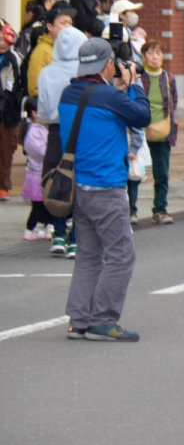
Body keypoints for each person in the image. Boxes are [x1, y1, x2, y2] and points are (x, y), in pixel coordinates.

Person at [59, 38, 152, 342]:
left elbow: (97, 117)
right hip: (105, 186)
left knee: (88, 254)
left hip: (78, 187)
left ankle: (79, 320)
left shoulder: (69, 93)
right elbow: (141, 116)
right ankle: (103, 319)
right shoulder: (110, 96)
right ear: (108, 64)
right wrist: (135, 83)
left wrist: (120, 91)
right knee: (121, 253)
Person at [37, 25, 88, 257]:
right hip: (81, 130)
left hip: (56, 131)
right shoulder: (84, 71)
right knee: (80, 181)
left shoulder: (46, 72)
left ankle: (58, 233)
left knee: (57, 179)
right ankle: (76, 237)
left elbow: (44, 112)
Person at [133, 41, 178, 225]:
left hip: (163, 130)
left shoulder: (169, 77)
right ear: (143, 57)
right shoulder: (136, 77)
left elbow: (173, 103)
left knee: (162, 174)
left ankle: (160, 209)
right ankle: (131, 211)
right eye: (150, 53)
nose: (155, 57)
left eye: (158, 53)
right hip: (140, 131)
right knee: (135, 173)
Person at [20, 98, 53, 239]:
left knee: (43, 204)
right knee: (38, 206)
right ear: (34, 113)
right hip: (37, 174)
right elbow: (40, 151)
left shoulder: (39, 129)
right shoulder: (33, 131)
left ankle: (45, 225)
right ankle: (30, 228)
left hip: (40, 173)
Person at [0, 22, 19, 201]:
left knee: (6, 151)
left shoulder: (14, 59)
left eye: (3, 39)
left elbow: (16, 87)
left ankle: (4, 186)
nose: (1, 43)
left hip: (8, 113)